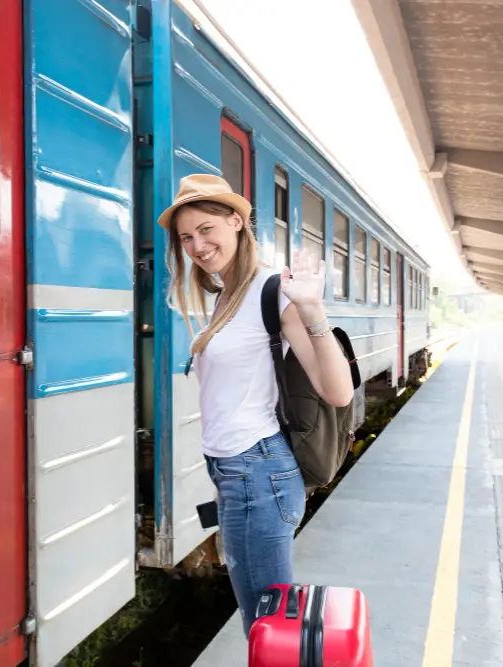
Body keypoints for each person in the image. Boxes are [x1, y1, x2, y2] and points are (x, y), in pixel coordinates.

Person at [157, 174, 354, 638]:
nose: (197, 245)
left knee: (269, 628)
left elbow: (338, 392)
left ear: (236, 222)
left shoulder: (272, 290)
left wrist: (312, 312)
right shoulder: (227, 293)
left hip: (258, 476)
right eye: (187, 237)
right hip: (236, 475)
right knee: (264, 625)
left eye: (207, 229)